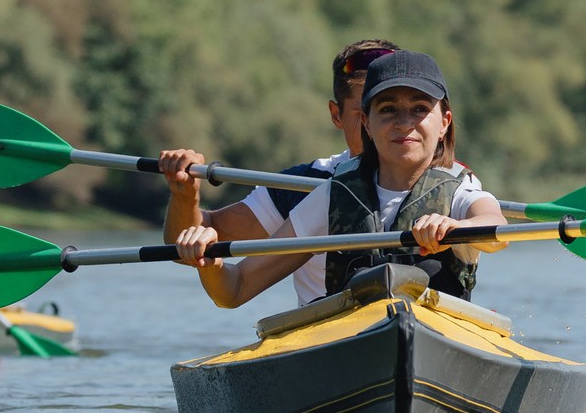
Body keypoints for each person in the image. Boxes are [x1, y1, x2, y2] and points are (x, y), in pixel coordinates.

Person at [157, 39, 485, 306]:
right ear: (364, 123)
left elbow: (492, 226)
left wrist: (457, 227)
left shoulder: (459, 186)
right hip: (334, 335)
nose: (403, 123)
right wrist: (210, 262)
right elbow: (234, 288)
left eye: (419, 109)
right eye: (387, 110)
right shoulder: (327, 194)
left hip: (436, 332)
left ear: (444, 123)